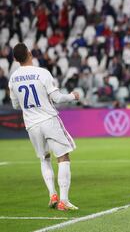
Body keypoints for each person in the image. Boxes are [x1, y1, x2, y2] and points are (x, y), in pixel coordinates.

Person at [8, 43, 79, 211]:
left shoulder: (13, 78)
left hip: (32, 125)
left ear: (15, 59)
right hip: (48, 119)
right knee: (63, 157)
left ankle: (52, 194)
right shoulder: (42, 73)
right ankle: (64, 200)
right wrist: (72, 96)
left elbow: (16, 105)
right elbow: (57, 98)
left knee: (44, 158)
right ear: (30, 53)